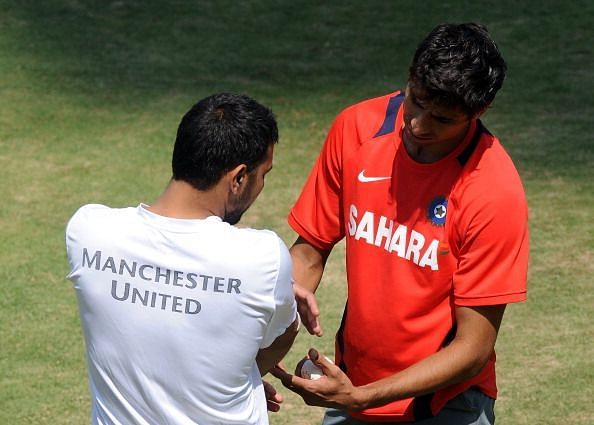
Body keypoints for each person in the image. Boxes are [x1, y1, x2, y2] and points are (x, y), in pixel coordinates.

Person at [272, 23, 529, 424]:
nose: (418, 125)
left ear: (478, 112)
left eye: (442, 119)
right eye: (416, 101)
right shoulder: (358, 127)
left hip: (446, 405)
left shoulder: (492, 190)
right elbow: (310, 249)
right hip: (354, 384)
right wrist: (256, 339)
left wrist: (363, 397)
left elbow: (473, 347)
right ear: (410, 79)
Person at [65, 92, 299, 425]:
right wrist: (228, 385)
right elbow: (282, 334)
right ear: (239, 178)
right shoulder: (263, 259)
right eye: (265, 174)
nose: (262, 186)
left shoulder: (88, 231)